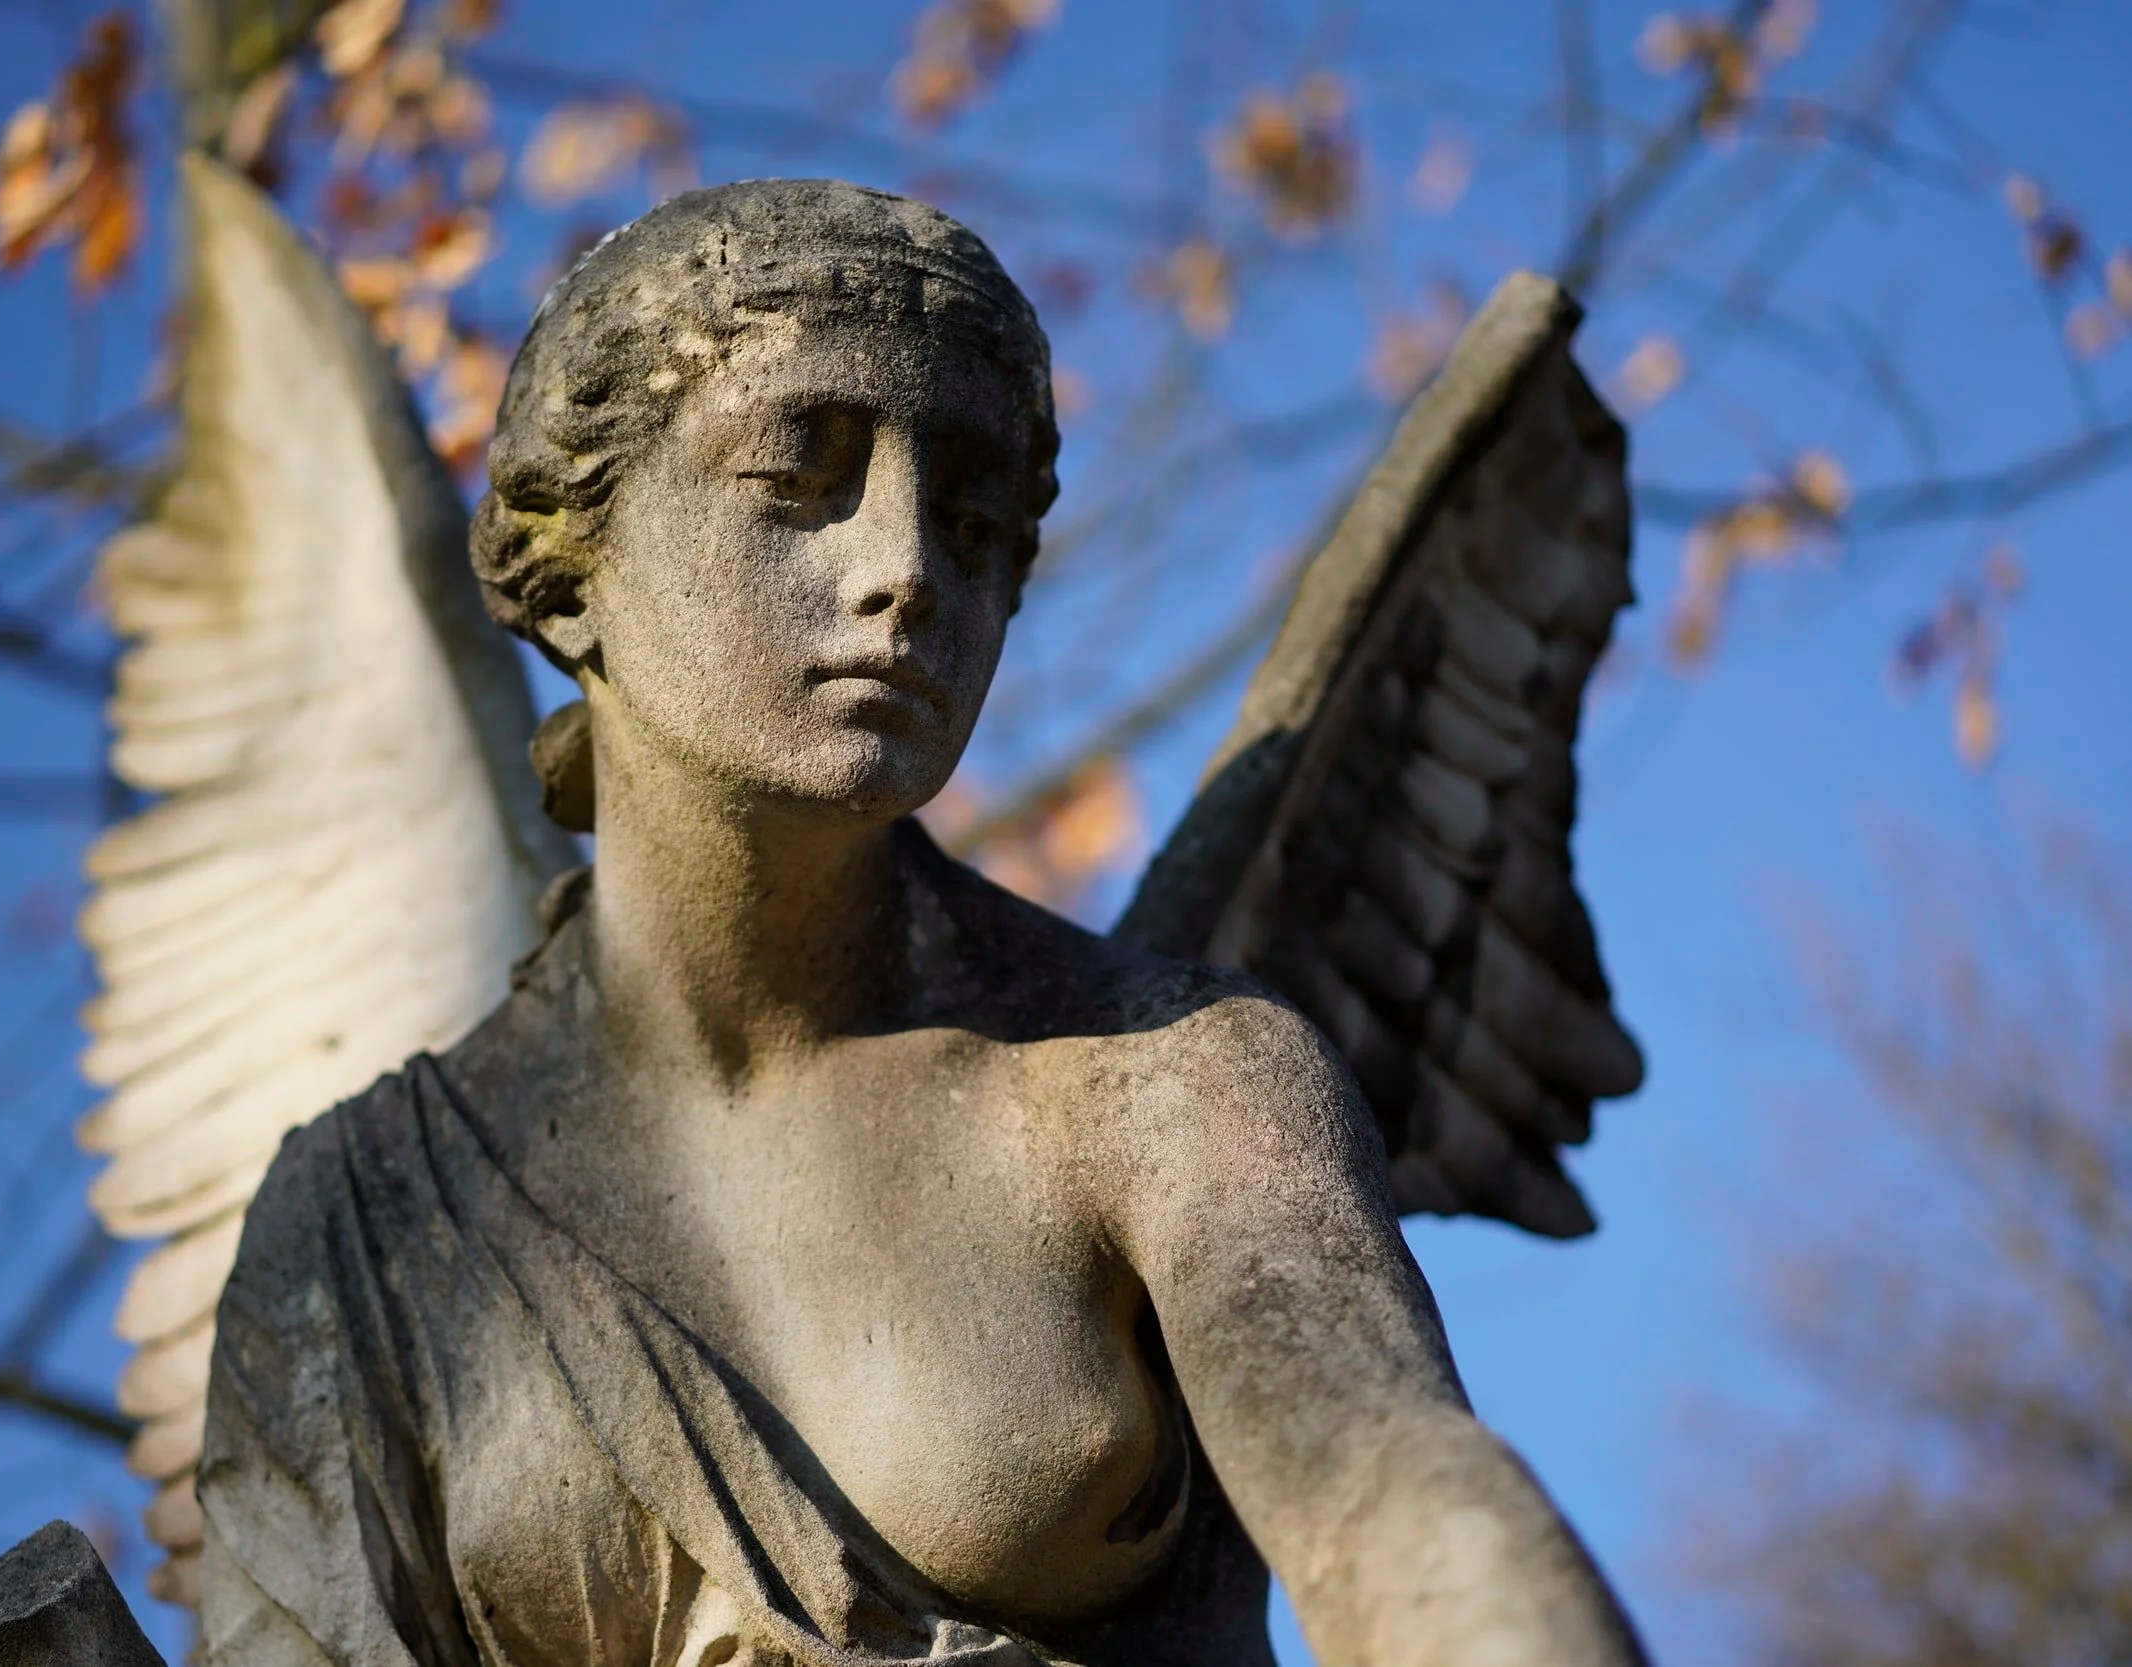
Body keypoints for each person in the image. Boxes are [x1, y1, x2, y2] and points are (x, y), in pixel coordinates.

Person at [196, 178, 1645, 1667]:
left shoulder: (1170, 1080)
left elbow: (1396, 1497)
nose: (904, 573)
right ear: (575, 574)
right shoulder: (361, 1226)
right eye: (800, 476)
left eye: (970, 521)